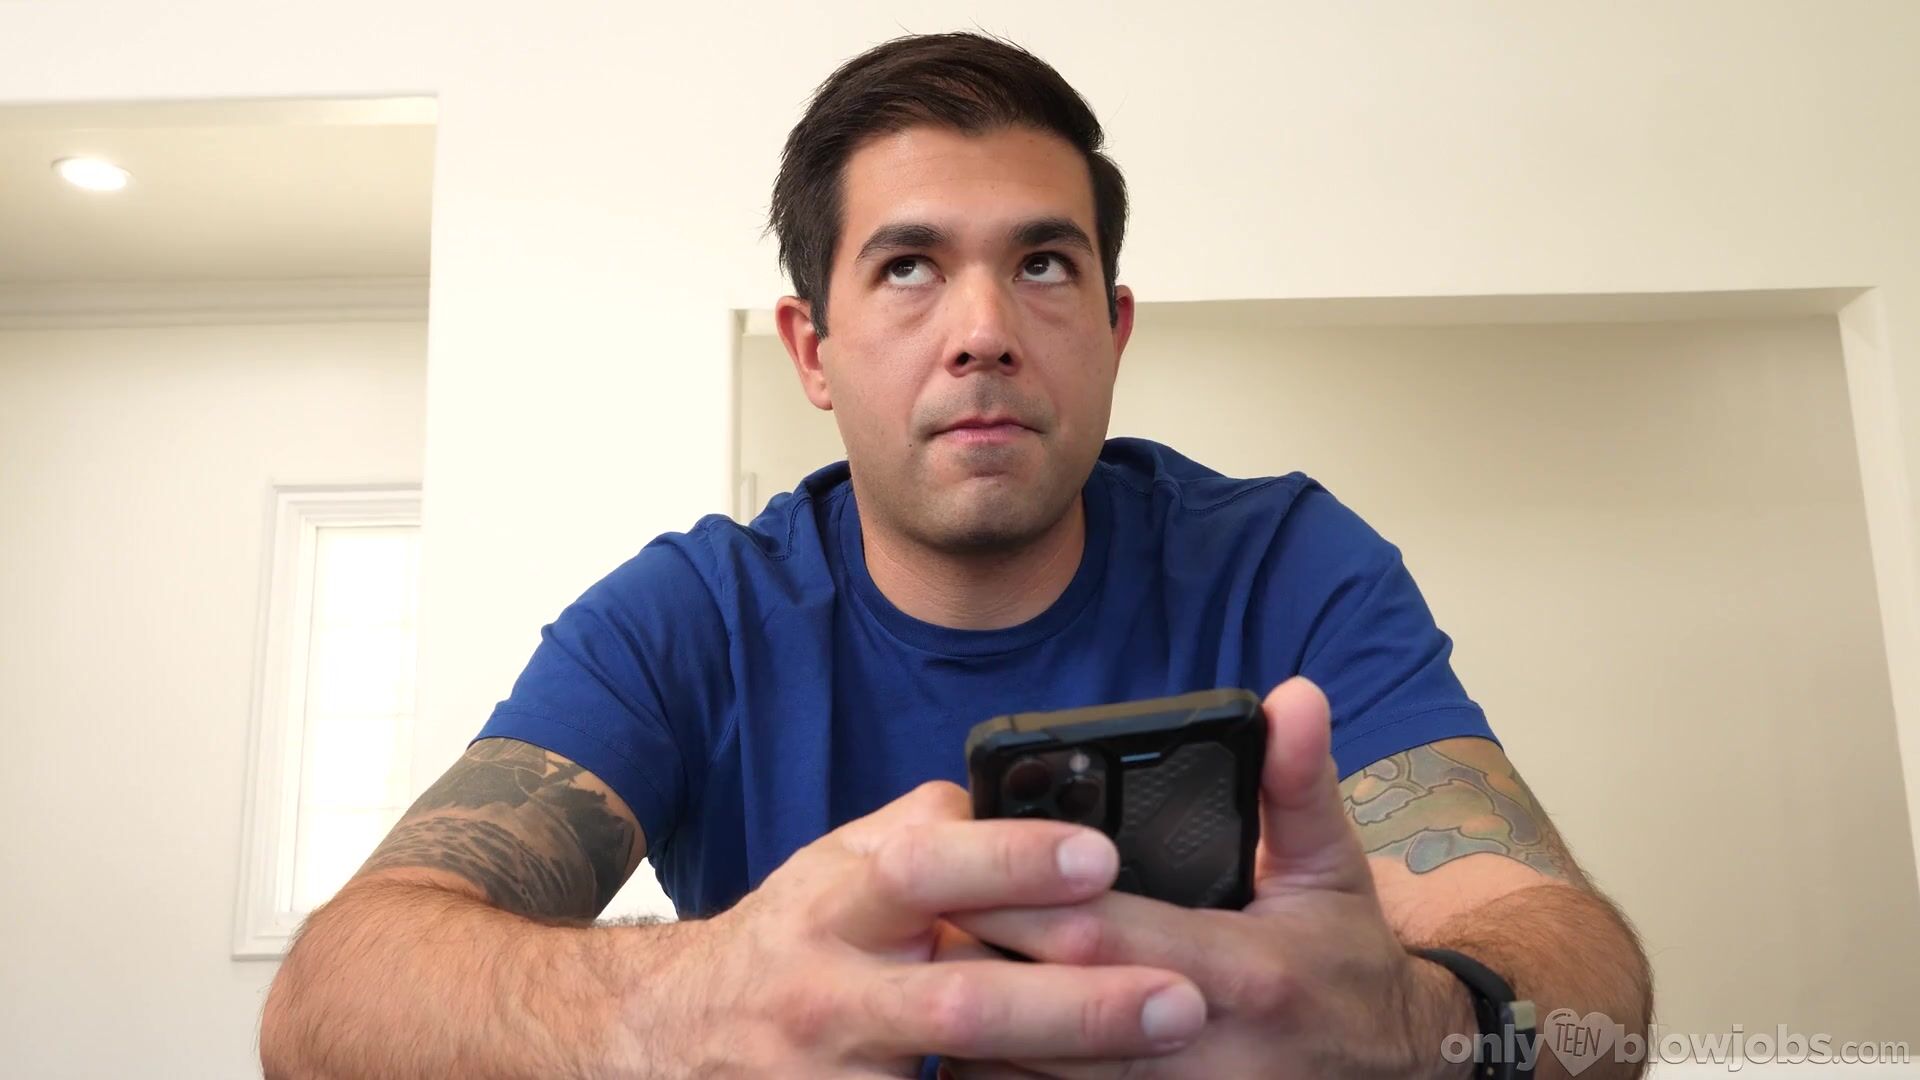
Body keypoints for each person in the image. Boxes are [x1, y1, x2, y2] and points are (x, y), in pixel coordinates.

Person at [261, 31, 1651, 1080]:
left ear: (1112, 328)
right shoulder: (686, 618)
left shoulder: (1291, 567)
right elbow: (328, 1004)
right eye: (909, 267)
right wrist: (682, 1001)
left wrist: (1413, 1025)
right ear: (813, 350)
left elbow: (1591, 989)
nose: (983, 330)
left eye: (1043, 265)